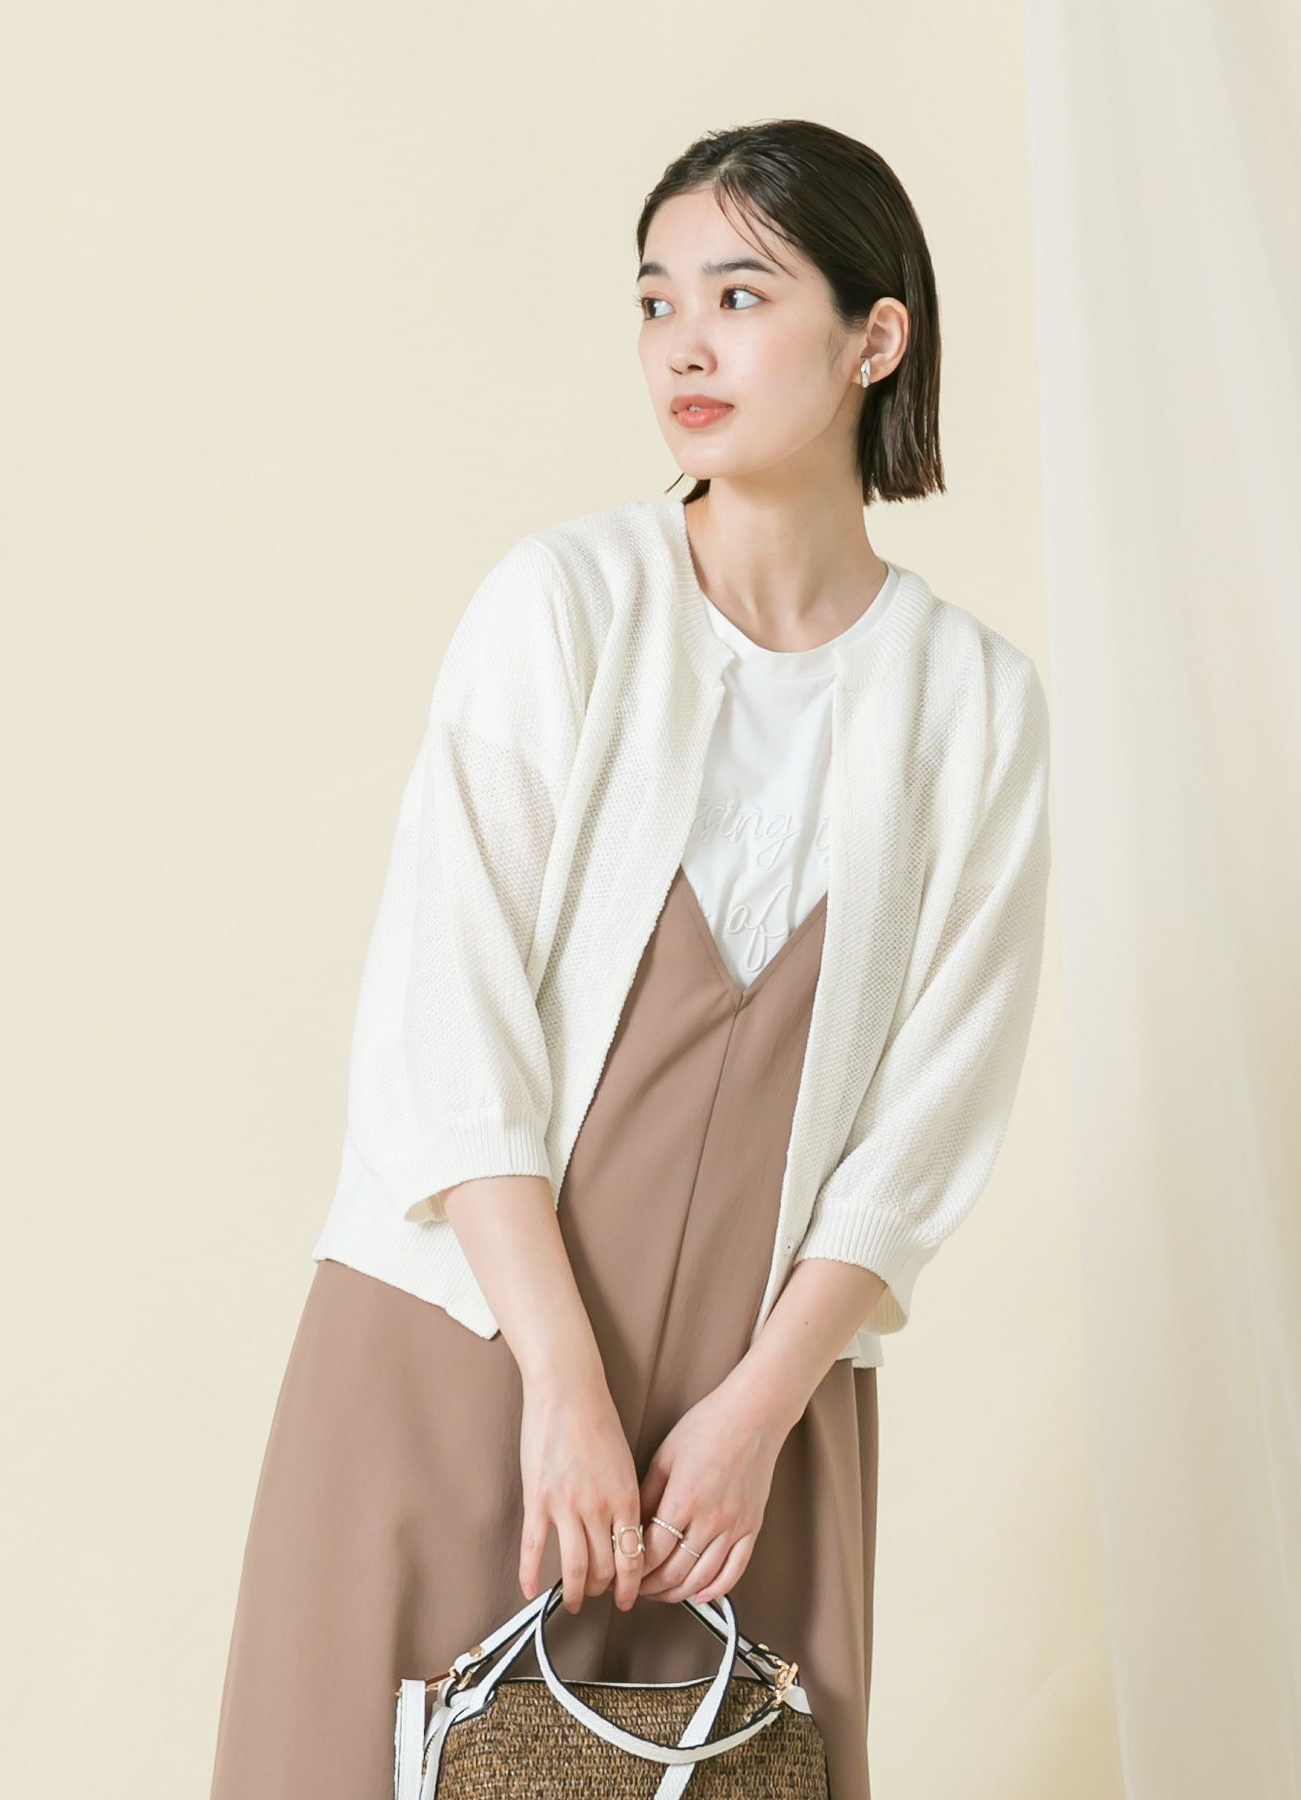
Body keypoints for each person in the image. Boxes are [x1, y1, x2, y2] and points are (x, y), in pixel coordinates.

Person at [209, 117, 1051, 1800]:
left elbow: (932, 1119)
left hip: (751, 1429)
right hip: (467, 1343)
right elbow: (446, 1025)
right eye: (657, 299)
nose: (683, 342)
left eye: (741, 295)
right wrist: (563, 1389)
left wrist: (756, 1418)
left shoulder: (974, 704)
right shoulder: (564, 607)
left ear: (876, 337)